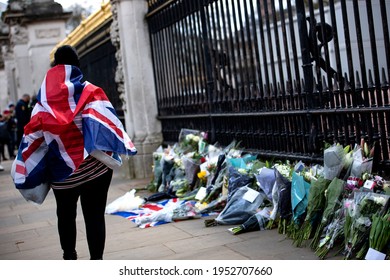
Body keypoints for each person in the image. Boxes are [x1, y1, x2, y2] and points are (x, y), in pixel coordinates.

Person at [11, 45, 137, 260]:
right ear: (77, 65)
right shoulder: (91, 91)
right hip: (95, 169)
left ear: (55, 68)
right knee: (94, 216)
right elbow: (109, 123)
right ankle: (96, 262)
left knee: (65, 215)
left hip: (62, 174)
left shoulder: (42, 102)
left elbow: (34, 137)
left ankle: (69, 257)